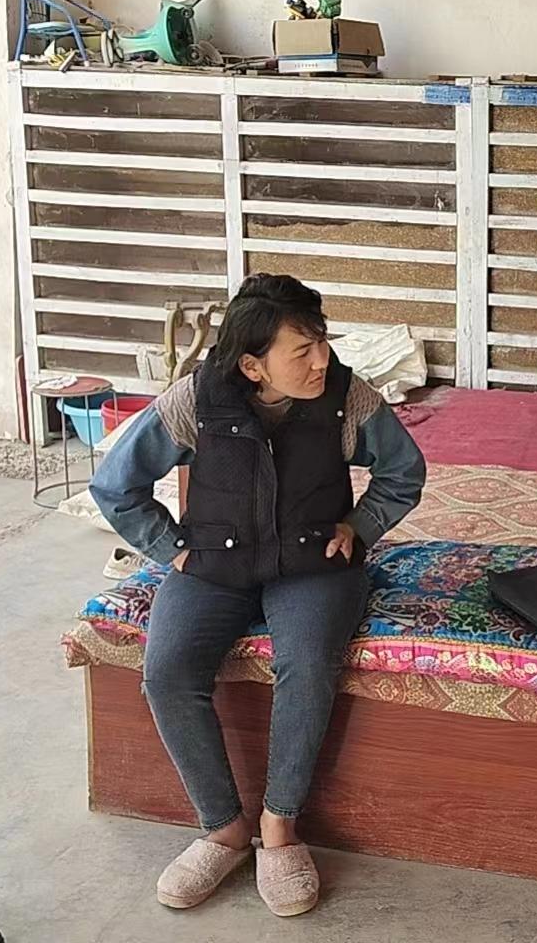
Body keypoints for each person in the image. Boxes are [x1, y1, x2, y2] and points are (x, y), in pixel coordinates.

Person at [90, 273, 427, 918]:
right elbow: (115, 484)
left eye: (322, 342)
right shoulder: (196, 400)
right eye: (303, 350)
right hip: (214, 564)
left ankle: (280, 827)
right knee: (167, 672)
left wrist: (359, 527)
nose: (322, 360)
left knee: (308, 662)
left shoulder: (346, 396)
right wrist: (170, 548)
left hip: (313, 565)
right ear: (252, 365)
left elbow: (403, 472)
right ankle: (222, 829)